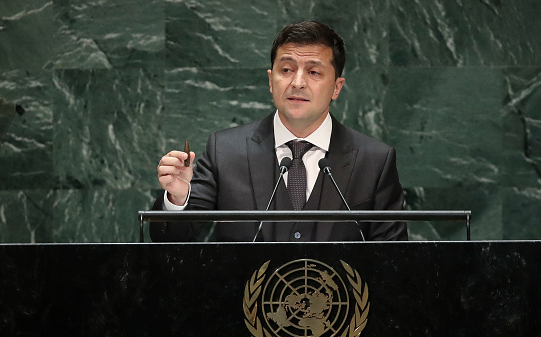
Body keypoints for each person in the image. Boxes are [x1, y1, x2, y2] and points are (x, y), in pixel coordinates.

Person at [151, 21, 408, 242]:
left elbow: (395, 260)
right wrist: (178, 199)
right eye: (286, 70)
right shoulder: (225, 151)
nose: (297, 82)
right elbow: (171, 239)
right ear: (270, 80)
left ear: (336, 87)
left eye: (314, 72)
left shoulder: (374, 160)